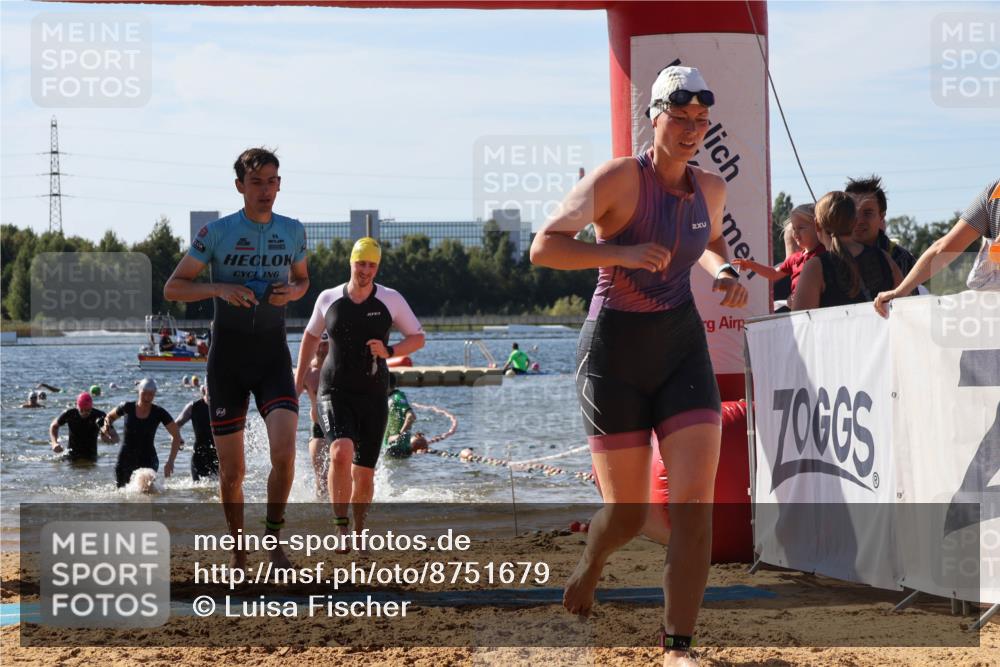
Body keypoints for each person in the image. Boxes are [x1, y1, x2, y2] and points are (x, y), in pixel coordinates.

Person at [529, 65, 747, 663]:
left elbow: (706, 244)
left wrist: (724, 272)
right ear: (653, 118)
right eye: (679, 118)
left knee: (695, 506)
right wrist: (619, 250)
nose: (691, 130)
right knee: (626, 514)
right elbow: (543, 246)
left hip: (681, 348)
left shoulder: (711, 187)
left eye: (700, 121)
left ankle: (678, 646)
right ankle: (593, 559)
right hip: (614, 352)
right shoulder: (620, 177)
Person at [163, 146, 309, 569]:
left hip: (273, 357)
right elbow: (174, 287)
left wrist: (293, 292)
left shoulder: (294, 231)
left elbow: (303, 281)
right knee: (233, 473)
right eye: (257, 182)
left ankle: (274, 537)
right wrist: (218, 288)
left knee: (284, 453)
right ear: (240, 186)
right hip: (227, 359)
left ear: (279, 184)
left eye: (272, 181)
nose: (266, 190)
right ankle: (239, 546)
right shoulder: (217, 233)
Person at [295, 237, 425, 549]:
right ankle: (341, 530)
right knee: (340, 452)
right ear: (351, 262)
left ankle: (360, 529)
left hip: (373, 394)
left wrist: (390, 349)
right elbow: (310, 338)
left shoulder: (390, 299)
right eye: (360, 263)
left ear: (377, 267)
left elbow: (418, 337)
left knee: (364, 474)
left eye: (371, 265)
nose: (365, 270)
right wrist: (297, 382)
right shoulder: (329, 298)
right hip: (334, 391)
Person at [875, 177, 1000, 316]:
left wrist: (901, 291)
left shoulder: (994, 193)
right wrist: (900, 291)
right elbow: (943, 248)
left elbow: (943, 248)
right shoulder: (993, 194)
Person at [794, 191, 901, 310]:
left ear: (817, 225)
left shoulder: (815, 267)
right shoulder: (884, 258)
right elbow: (906, 304)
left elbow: (801, 322)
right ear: (854, 222)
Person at [734, 204, 823, 310]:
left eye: (801, 227)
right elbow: (773, 273)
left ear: (817, 227)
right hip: (799, 309)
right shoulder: (794, 258)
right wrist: (751, 265)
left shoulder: (825, 253)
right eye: (794, 228)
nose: (796, 233)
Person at [103, 379, 183, 488]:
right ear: (138, 392)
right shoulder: (127, 407)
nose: (147, 398)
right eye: (144, 394)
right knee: (121, 494)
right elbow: (110, 417)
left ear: (154, 394)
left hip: (148, 459)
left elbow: (176, 435)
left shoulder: (159, 412)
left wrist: (170, 462)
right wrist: (107, 426)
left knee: (147, 496)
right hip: (126, 458)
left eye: (151, 395)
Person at [845, 174, 919, 281]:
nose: (859, 221)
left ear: (882, 216)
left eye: (867, 213)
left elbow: (911, 297)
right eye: (852, 212)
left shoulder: (900, 258)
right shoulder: (831, 256)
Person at [50, 392, 119, 462]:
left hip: (91, 456)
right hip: (71, 455)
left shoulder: (99, 415)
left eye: (87, 410)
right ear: (77, 407)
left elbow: (116, 438)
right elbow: (54, 426)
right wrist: (54, 443)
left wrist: (109, 439)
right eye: (81, 410)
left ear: (91, 407)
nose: (84, 413)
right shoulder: (70, 414)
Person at [302, 331, 331, 498]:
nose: (322, 349)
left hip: (341, 426)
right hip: (318, 428)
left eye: (326, 344)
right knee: (322, 479)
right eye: (319, 344)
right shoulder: (307, 372)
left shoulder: (341, 366)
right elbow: (292, 395)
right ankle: (321, 515)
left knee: (348, 475)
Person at [170, 384, 219, 481]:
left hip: (219, 456)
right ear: (205, 388)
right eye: (210, 387)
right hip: (198, 457)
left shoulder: (222, 406)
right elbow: (175, 425)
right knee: (197, 489)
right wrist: (176, 437)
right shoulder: (193, 407)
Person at [384, 374, 417, 459]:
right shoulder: (389, 397)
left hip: (398, 448)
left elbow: (411, 416)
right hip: (392, 447)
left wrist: (399, 435)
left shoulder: (398, 397)